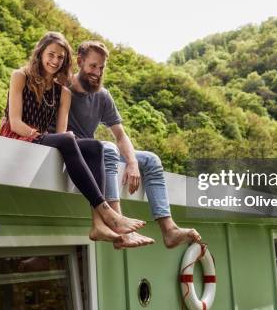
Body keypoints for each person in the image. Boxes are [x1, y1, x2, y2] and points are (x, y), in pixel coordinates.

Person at [0, 32, 145, 245]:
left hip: (42, 139)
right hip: (18, 136)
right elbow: (15, 122)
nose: (55, 61)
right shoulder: (20, 76)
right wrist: (43, 135)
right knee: (68, 140)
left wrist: (59, 138)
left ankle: (98, 224)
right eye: (51, 54)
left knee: (96, 146)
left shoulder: (63, 92)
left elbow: (60, 134)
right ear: (40, 53)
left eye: (60, 57)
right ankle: (107, 211)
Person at [67, 40, 202, 248]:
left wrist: (131, 163)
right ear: (79, 61)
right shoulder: (64, 88)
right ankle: (119, 225)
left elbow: (120, 134)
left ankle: (169, 229)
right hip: (76, 152)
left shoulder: (102, 95)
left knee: (151, 160)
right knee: (108, 149)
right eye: (93, 66)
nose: (97, 72)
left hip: (95, 150)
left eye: (101, 67)